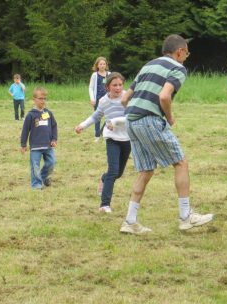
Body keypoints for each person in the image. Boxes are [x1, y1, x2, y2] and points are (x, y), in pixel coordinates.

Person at [119, 34, 213, 235]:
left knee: (145, 170)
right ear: (179, 51)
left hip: (131, 120)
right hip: (150, 120)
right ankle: (186, 216)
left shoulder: (148, 65)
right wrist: (169, 117)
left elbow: (125, 99)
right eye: (186, 53)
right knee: (180, 163)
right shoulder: (177, 68)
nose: (186, 57)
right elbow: (164, 96)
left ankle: (130, 221)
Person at [76, 72, 130, 213]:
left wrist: (115, 121)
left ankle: (103, 178)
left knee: (118, 173)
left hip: (127, 138)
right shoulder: (103, 101)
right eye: (114, 85)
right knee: (113, 170)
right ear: (107, 87)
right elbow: (96, 116)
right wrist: (82, 125)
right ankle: (104, 205)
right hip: (111, 138)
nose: (118, 88)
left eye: (120, 85)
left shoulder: (127, 98)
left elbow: (131, 117)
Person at [20, 86, 58, 189]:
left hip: (48, 145)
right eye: (40, 98)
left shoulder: (48, 113)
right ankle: (36, 185)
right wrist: (23, 145)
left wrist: (54, 139)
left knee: (52, 162)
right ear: (34, 99)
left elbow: (54, 126)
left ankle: (43, 177)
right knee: (35, 167)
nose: (43, 101)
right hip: (35, 146)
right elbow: (25, 131)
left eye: (44, 98)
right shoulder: (30, 115)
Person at [88, 57, 109, 142]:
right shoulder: (94, 75)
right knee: (97, 117)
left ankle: (103, 132)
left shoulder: (110, 74)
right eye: (100, 64)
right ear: (97, 65)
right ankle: (97, 136)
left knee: (109, 117)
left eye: (104, 64)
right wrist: (92, 99)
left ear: (106, 65)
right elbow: (91, 88)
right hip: (98, 99)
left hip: (108, 99)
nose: (102, 65)